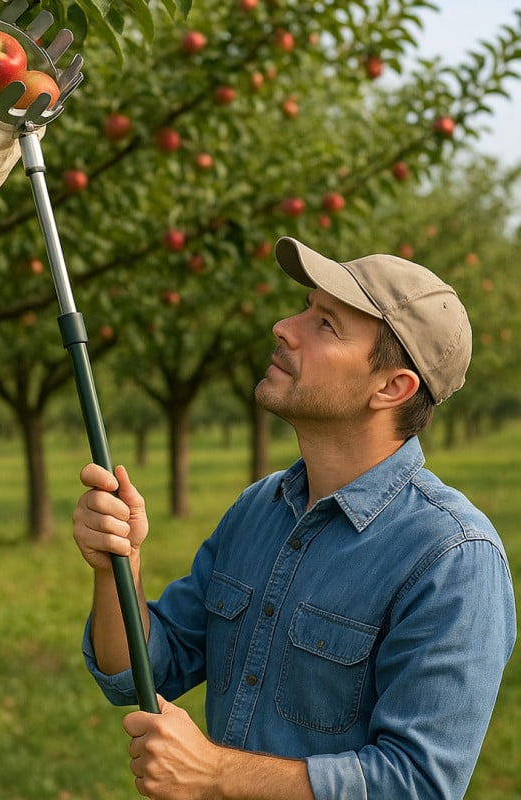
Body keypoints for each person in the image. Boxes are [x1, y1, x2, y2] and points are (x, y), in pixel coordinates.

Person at [71, 236, 516, 800]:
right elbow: (142, 671)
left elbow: (417, 784)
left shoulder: (453, 558)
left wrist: (215, 773)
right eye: (306, 307)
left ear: (392, 387)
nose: (285, 326)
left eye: (326, 324)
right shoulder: (259, 510)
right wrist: (117, 568)